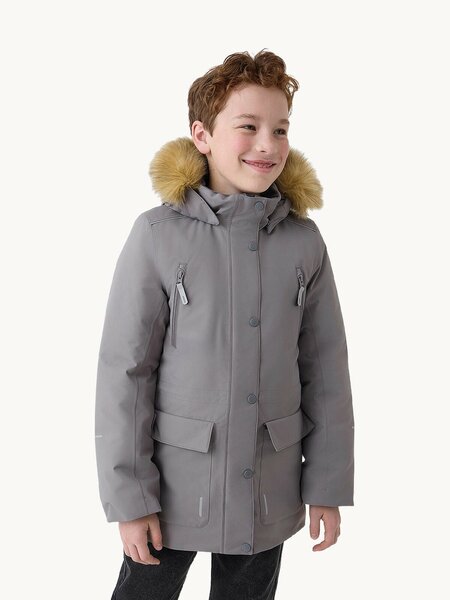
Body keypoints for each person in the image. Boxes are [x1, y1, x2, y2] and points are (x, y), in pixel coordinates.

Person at [95, 49, 355, 600]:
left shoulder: (303, 243)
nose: (268, 144)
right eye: (248, 126)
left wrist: (327, 485)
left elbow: (326, 372)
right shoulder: (158, 235)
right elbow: (126, 373)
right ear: (203, 135)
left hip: (268, 484)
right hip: (174, 486)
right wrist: (131, 498)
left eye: (280, 129)